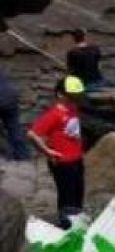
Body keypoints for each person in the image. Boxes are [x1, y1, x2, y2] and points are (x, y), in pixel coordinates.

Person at [27, 76, 86, 228]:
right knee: (67, 193)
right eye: (72, 95)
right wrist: (47, 151)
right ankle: (67, 224)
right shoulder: (54, 114)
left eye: (78, 94)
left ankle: (77, 219)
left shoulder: (73, 108)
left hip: (76, 158)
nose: (77, 97)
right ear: (60, 94)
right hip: (62, 161)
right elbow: (32, 134)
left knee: (78, 190)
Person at [0, 68, 30, 161]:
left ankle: (9, 155)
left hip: (3, 97)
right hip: (11, 97)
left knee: (13, 128)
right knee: (14, 129)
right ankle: (23, 156)